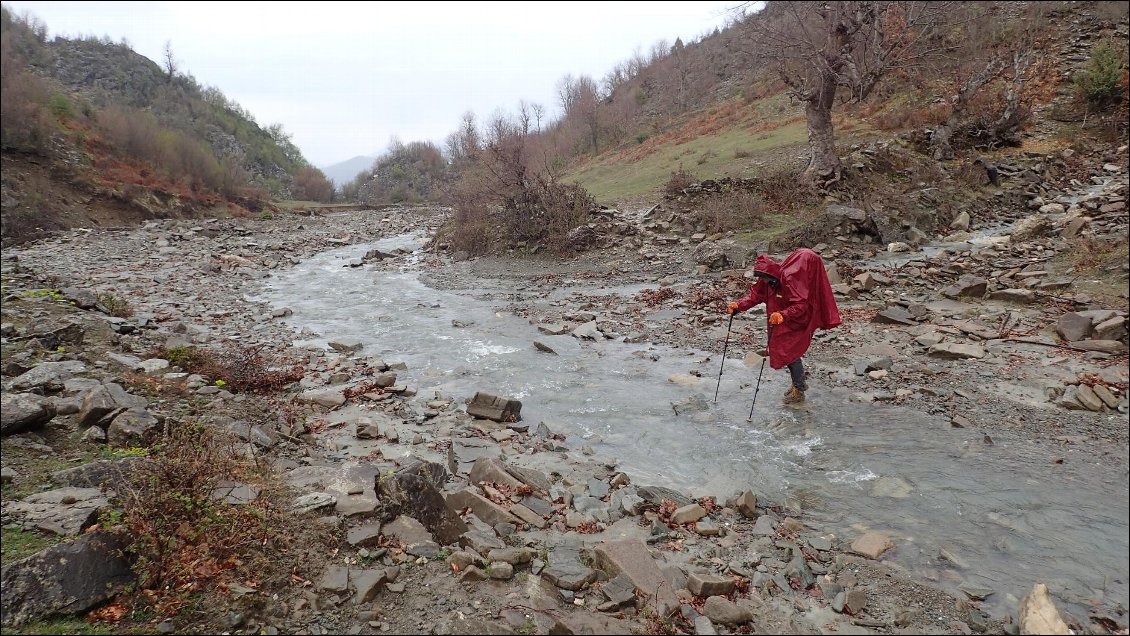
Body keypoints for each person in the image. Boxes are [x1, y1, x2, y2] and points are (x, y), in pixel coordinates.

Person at [726, 248, 842, 404]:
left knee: (790, 352)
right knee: (786, 351)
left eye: (766, 280)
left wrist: (783, 315)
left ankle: (799, 389)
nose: (764, 282)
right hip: (779, 319)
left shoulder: (790, 280)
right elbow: (755, 296)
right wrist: (738, 306)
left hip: (796, 320)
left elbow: (801, 305)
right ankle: (798, 385)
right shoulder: (767, 278)